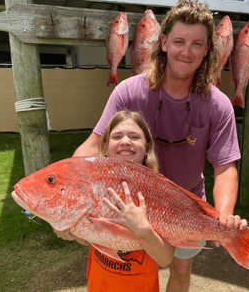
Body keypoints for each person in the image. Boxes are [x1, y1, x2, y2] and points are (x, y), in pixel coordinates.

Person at [73, 0, 248, 292]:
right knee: (128, 267)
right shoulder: (128, 91)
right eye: (179, 41)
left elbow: (225, 165)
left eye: (196, 44)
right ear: (164, 42)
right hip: (132, 205)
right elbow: (92, 147)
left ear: (207, 49)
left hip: (185, 206)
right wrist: (69, 190)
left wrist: (224, 215)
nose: (186, 51)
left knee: (180, 272)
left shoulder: (218, 104)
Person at [55, 109, 174, 292]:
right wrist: (73, 231)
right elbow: (89, 241)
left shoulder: (158, 192)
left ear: (147, 147)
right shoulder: (93, 187)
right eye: (117, 136)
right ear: (106, 145)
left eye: (134, 136)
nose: (125, 141)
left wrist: (143, 230)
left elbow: (165, 259)